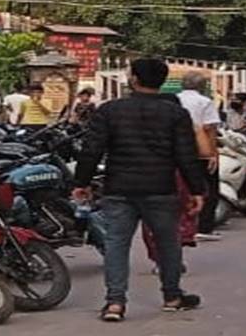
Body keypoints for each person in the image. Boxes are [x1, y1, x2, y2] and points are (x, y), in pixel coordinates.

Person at [74, 57, 206, 322]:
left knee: (116, 244)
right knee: (168, 243)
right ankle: (172, 296)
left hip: (118, 187)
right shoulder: (176, 113)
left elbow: (91, 149)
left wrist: (82, 182)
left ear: (134, 79)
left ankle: (115, 304)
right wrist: (196, 190)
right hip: (160, 188)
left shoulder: (110, 110)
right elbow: (185, 155)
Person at [172, 72, 223, 238]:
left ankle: (180, 225)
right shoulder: (205, 102)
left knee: (180, 186)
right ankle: (204, 227)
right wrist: (213, 153)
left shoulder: (174, 100)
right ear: (202, 86)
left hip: (176, 150)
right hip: (199, 151)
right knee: (208, 188)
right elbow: (209, 129)